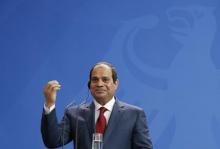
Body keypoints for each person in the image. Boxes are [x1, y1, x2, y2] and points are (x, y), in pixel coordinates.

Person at [41, 62, 153, 149]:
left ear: (116, 84)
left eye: (105, 79)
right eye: (95, 80)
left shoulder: (134, 114)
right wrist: (49, 103)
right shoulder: (74, 113)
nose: (99, 84)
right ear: (89, 85)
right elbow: (52, 141)